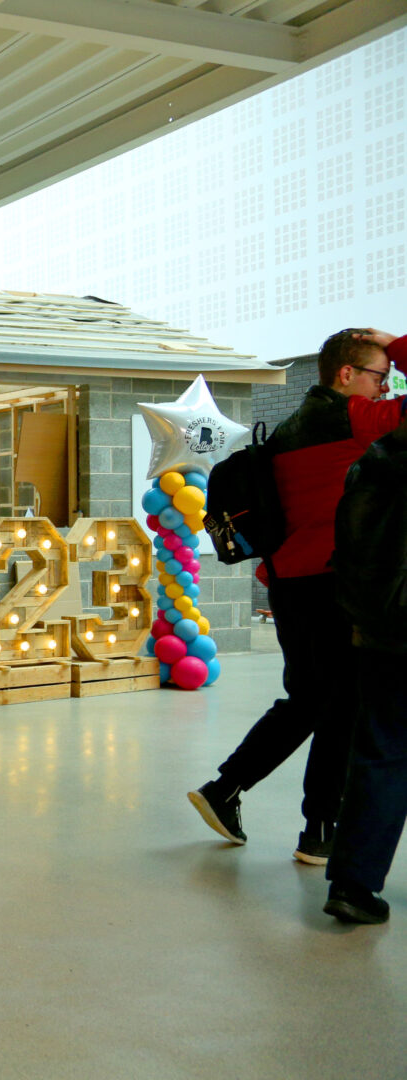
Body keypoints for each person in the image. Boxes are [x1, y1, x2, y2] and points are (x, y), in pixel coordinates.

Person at [189, 328, 407, 864]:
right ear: (347, 375)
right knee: (343, 704)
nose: (386, 388)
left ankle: (232, 791)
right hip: (335, 585)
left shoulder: (288, 428)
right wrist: (398, 343)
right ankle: (316, 829)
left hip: (289, 584)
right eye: (382, 376)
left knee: (313, 698)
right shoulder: (351, 419)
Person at [325, 374, 407, 924]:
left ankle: (352, 885)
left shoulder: (374, 460)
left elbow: (348, 547)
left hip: (381, 628)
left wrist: (359, 617)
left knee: (378, 751)